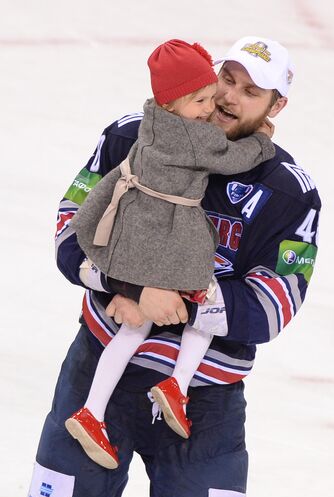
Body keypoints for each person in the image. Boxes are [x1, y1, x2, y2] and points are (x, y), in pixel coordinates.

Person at [25, 36, 321, 497]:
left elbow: (275, 304)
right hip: (98, 373)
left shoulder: (289, 190)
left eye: (251, 92)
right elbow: (70, 228)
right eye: (226, 79)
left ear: (278, 106)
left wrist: (179, 301)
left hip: (203, 404)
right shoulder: (130, 137)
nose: (230, 97)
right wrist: (128, 286)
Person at [64, 39, 275, 470]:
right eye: (203, 98)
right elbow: (232, 157)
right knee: (199, 298)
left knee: (132, 329)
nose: (211, 105)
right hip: (170, 236)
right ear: (175, 102)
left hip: (132, 237)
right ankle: (177, 385)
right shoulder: (196, 139)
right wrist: (263, 143)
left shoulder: (150, 123)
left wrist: (128, 289)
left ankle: (92, 411)